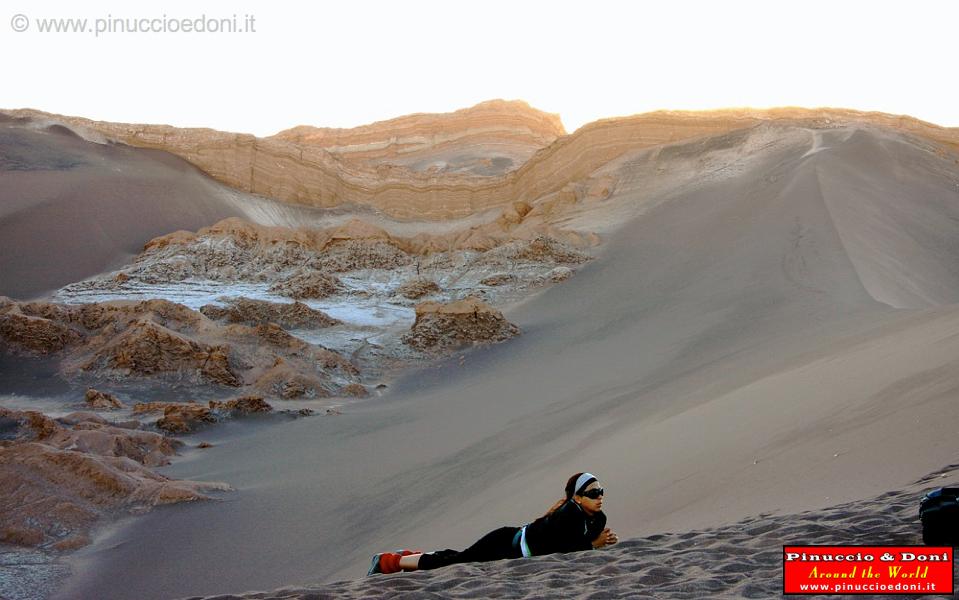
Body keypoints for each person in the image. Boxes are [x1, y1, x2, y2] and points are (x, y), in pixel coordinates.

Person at [368, 472, 618, 575]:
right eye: (593, 492)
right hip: (506, 544)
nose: (600, 497)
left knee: (456, 558)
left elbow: (578, 544)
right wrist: (594, 544)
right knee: (455, 562)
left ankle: (408, 556)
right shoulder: (569, 513)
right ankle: (389, 561)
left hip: (512, 550)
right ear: (577, 497)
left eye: (601, 491)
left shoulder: (599, 517)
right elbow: (566, 548)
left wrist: (599, 542)